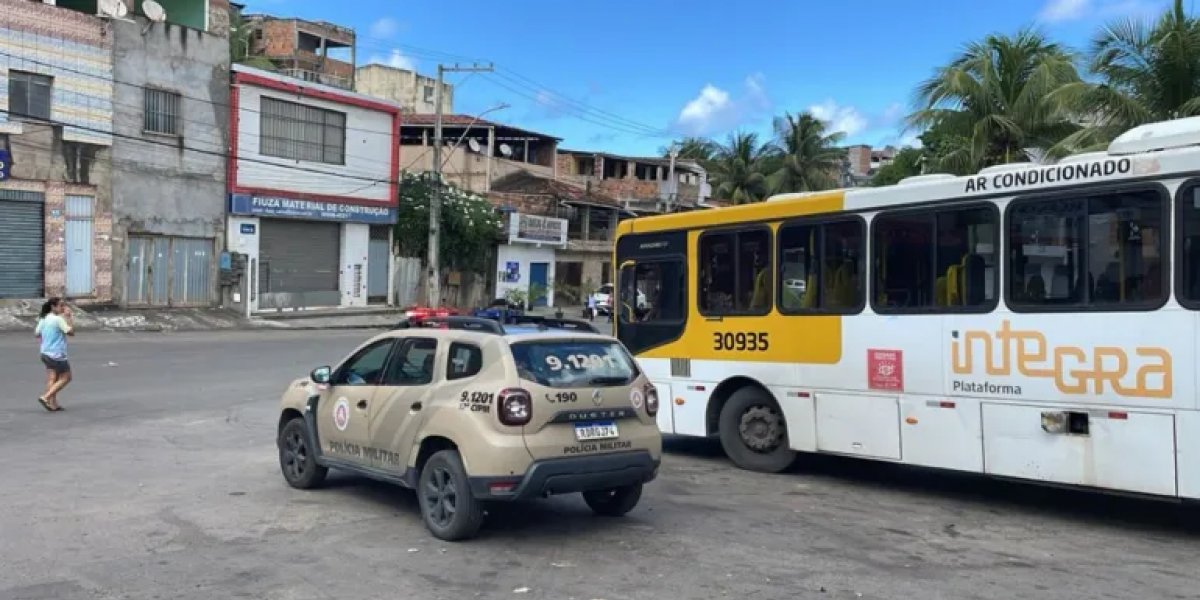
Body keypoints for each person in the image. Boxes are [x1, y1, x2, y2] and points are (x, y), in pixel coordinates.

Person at [34, 297, 75, 412]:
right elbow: (71, 332)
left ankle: (53, 403)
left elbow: (37, 333)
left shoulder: (44, 318)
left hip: (45, 353)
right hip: (57, 354)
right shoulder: (58, 319)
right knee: (66, 377)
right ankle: (45, 397)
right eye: (61, 305)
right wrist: (69, 317)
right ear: (53, 306)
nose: (63, 308)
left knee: (53, 378)